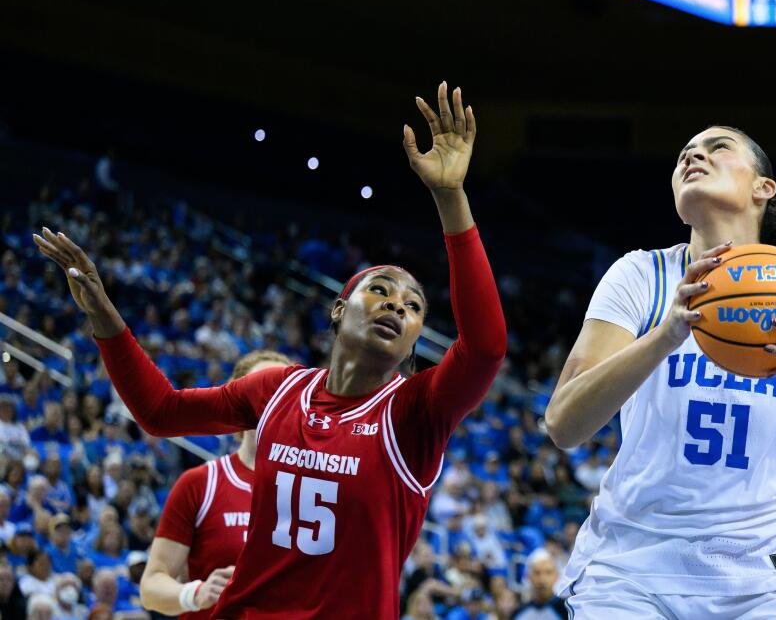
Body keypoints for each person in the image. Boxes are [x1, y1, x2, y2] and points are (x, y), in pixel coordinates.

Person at [33, 81, 505, 618]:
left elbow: (486, 348)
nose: (397, 305)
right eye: (380, 289)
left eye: (414, 305)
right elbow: (160, 412)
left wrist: (450, 197)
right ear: (338, 309)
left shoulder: (416, 412)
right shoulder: (278, 389)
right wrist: (104, 318)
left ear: (418, 337)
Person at [545, 121, 776, 617]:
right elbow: (563, 424)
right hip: (631, 570)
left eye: (717, 148)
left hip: (760, 577)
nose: (692, 157)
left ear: (765, 188)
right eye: (684, 153)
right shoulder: (641, 274)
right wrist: (668, 333)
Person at [139, 350, 289, 618]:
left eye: (281, 391)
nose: (270, 400)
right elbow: (151, 587)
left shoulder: (317, 489)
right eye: (261, 388)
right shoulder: (200, 483)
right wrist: (195, 594)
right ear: (238, 401)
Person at [513, 550, 567, 620]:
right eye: (537, 573)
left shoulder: (568, 611)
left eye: (548, 572)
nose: (542, 579)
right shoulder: (519, 613)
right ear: (528, 576)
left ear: (557, 576)